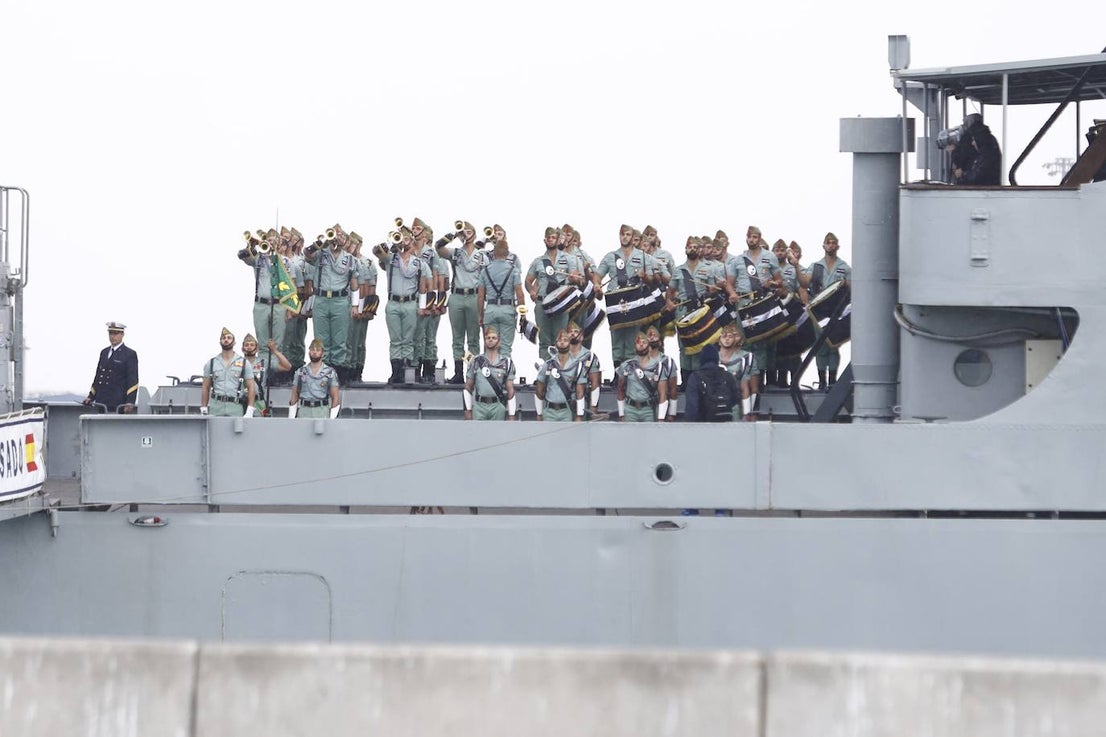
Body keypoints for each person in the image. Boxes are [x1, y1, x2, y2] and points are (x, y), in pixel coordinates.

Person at [596, 225, 663, 370]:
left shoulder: (644, 257)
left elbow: (654, 280)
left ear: (633, 238)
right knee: (617, 339)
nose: (625, 237)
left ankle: (630, 372)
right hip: (615, 303)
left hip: (634, 303)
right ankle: (617, 373)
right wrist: (596, 285)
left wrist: (646, 277)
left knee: (633, 338)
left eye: (628, 234)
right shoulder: (610, 257)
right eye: (622, 235)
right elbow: (597, 276)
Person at [304, 224, 360, 384]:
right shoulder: (320, 254)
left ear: (346, 240)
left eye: (342, 236)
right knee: (321, 339)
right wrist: (320, 243)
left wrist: (355, 305)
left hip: (340, 300)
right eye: (335, 235)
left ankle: (339, 376)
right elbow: (306, 253)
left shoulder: (350, 259)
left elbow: (354, 283)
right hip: (321, 299)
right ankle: (322, 375)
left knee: (340, 340)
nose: (338, 238)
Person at [377, 227, 431, 384]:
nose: (404, 242)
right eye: (402, 239)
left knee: (408, 340)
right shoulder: (391, 258)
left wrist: (421, 306)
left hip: (409, 303)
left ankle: (407, 372)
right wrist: (391, 242)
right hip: (393, 302)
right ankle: (396, 372)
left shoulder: (419, 263)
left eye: (407, 239)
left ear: (412, 242)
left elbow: (423, 286)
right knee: (395, 340)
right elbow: (377, 251)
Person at [799, 231, 852, 389]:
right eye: (828, 242)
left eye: (833, 243)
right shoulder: (816, 267)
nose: (830, 245)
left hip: (836, 311)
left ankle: (832, 381)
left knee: (833, 345)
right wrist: (795, 265)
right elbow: (803, 283)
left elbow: (852, 289)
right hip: (819, 312)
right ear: (823, 245)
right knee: (820, 346)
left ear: (838, 246)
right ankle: (822, 381)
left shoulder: (844, 267)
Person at [526, 227, 585, 360]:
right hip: (542, 303)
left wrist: (574, 278)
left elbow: (577, 279)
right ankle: (545, 371)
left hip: (561, 303)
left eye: (553, 237)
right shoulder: (538, 261)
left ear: (558, 240)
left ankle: (561, 370)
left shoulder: (569, 259)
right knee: (544, 339)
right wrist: (532, 290)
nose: (551, 240)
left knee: (561, 338)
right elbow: (528, 281)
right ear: (544, 240)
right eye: (548, 238)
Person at [439, 221, 486, 384]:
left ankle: (471, 371)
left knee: (473, 338)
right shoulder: (456, 252)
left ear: (474, 233)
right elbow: (439, 248)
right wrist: (453, 235)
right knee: (457, 337)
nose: (465, 234)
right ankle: (458, 372)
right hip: (457, 296)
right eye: (463, 231)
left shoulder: (482, 254)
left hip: (474, 296)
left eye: (468, 231)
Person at [478, 225, 524, 359]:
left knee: (490, 345)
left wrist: (480, 315)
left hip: (490, 310)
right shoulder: (513, 270)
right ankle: (504, 376)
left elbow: (481, 296)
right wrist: (522, 315)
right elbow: (520, 294)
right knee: (505, 348)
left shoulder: (485, 270)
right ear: (507, 253)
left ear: (494, 253)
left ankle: (488, 376)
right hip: (507, 309)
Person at [83, 321, 139, 413]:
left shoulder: (129, 354)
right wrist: (91, 397)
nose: (112, 336)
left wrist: (130, 402)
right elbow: (98, 376)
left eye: (116, 333)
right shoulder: (104, 352)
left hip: (118, 403)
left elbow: (132, 380)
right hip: (101, 401)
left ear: (122, 334)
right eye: (110, 333)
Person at [463, 326, 517, 421]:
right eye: (488, 338)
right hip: (479, 406)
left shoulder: (507, 362)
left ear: (499, 342)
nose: (490, 340)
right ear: (484, 341)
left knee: (497, 435)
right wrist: (467, 411)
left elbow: (510, 390)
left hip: (497, 406)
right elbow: (468, 387)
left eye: (494, 338)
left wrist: (511, 415)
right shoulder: (475, 361)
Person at [200, 327, 256, 417]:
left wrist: (250, 409)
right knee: (215, 431)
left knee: (236, 431)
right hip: (216, 407)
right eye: (224, 338)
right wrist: (203, 407)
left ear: (234, 342)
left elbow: (251, 387)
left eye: (229, 338)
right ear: (220, 342)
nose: (226, 340)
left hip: (235, 407)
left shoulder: (244, 363)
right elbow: (205, 387)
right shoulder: (211, 363)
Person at [534, 329, 587, 422]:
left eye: (565, 340)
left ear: (570, 343)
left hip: (566, 411)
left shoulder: (577, 366)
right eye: (560, 340)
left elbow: (580, 393)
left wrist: (579, 415)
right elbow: (539, 391)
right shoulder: (548, 365)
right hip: (549, 411)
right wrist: (539, 414)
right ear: (555, 343)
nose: (562, 342)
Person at [616, 332, 669, 422]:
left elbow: (663, 393)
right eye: (638, 342)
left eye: (644, 342)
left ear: (649, 347)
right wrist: (621, 414)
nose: (641, 344)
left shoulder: (657, 367)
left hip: (648, 409)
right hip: (630, 409)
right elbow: (620, 389)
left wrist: (661, 418)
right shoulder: (626, 366)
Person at [683, 343, 740, 423]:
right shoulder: (728, 376)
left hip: (703, 424)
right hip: (726, 422)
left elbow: (692, 406)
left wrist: (689, 426)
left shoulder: (695, 377)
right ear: (717, 358)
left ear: (702, 359)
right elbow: (736, 399)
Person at [288, 338, 341, 419]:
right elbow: (294, 396)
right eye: (312, 349)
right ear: (309, 352)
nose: (315, 352)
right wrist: (291, 418)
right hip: (304, 410)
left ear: (323, 353)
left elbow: (335, 397)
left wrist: (332, 420)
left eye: (318, 350)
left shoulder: (330, 373)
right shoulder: (300, 372)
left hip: (322, 410)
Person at [242, 334, 291, 416]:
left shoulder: (264, 362)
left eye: (252, 345)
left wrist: (274, 350)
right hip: (242, 403)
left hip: (259, 403)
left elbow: (287, 366)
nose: (249, 347)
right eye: (246, 345)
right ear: (242, 349)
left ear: (257, 348)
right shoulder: (238, 363)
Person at [950, 113, 1001, 186]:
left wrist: (962, 174)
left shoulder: (971, 137)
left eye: (965, 123)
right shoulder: (990, 139)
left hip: (981, 188)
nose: (972, 143)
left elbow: (979, 174)